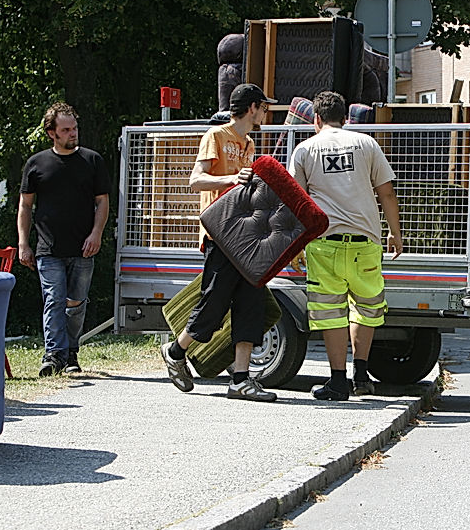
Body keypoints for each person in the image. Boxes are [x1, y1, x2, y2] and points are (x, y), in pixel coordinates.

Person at [160, 83, 281, 401]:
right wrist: (230, 178)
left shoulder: (250, 143)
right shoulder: (216, 135)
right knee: (214, 301)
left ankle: (241, 379)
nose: (265, 113)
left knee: (251, 302)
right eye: (263, 107)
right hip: (220, 232)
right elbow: (195, 179)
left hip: (245, 237)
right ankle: (175, 351)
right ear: (252, 108)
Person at [292, 90, 403, 401]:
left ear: (316, 119)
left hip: (323, 243)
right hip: (365, 243)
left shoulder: (304, 150)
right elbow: (387, 193)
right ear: (345, 119)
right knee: (366, 310)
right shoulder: (367, 143)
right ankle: (362, 376)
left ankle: (338, 381)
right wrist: (395, 233)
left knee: (331, 313)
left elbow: (296, 203)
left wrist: (295, 245)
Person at [18, 102, 111, 377]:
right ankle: (54, 355)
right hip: (49, 248)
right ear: (52, 133)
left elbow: (102, 202)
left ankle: (71, 352)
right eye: (66, 130)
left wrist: (96, 234)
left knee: (76, 303)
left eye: (75, 128)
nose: (73, 134)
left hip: (84, 247)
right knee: (53, 300)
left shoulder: (92, 161)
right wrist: (23, 243)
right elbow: (25, 206)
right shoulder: (36, 164)